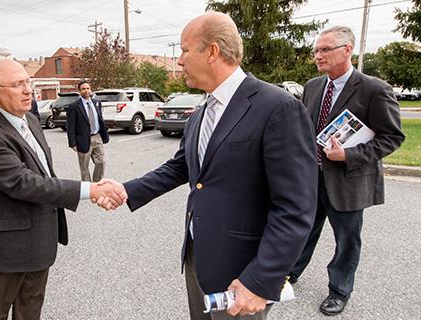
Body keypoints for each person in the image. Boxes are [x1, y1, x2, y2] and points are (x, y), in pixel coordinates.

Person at [99, 12, 318, 320]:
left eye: (185, 50)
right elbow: (181, 167)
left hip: (243, 273)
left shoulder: (278, 107)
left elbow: (296, 208)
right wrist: (126, 189)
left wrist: (261, 280)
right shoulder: (202, 112)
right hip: (198, 257)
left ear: (212, 51)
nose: (179, 61)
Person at [0, 59, 125, 320]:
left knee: (30, 313)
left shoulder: (30, 120)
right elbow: (23, 182)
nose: (28, 90)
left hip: (38, 243)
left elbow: (44, 173)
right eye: (17, 85)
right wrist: (90, 189)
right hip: (2, 250)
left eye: (28, 82)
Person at [288, 26, 405, 316]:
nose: (318, 55)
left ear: (346, 50)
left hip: (348, 181)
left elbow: (392, 138)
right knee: (302, 231)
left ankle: (339, 291)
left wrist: (349, 154)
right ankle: (289, 274)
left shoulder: (374, 89)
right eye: (316, 50)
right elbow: (307, 129)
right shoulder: (314, 86)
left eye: (325, 49)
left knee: (347, 241)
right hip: (311, 178)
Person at [67, 81, 109, 182]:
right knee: (84, 168)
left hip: (97, 137)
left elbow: (100, 119)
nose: (86, 91)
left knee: (101, 162)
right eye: (83, 89)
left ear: (90, 89)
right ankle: (88, 188)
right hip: (83, 140)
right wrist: (72, 143)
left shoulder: (96, 103)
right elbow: (70, 126)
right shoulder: (74, 106)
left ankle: (97, 183)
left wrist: (104, 132)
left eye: (88, 88)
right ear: (79, 91)